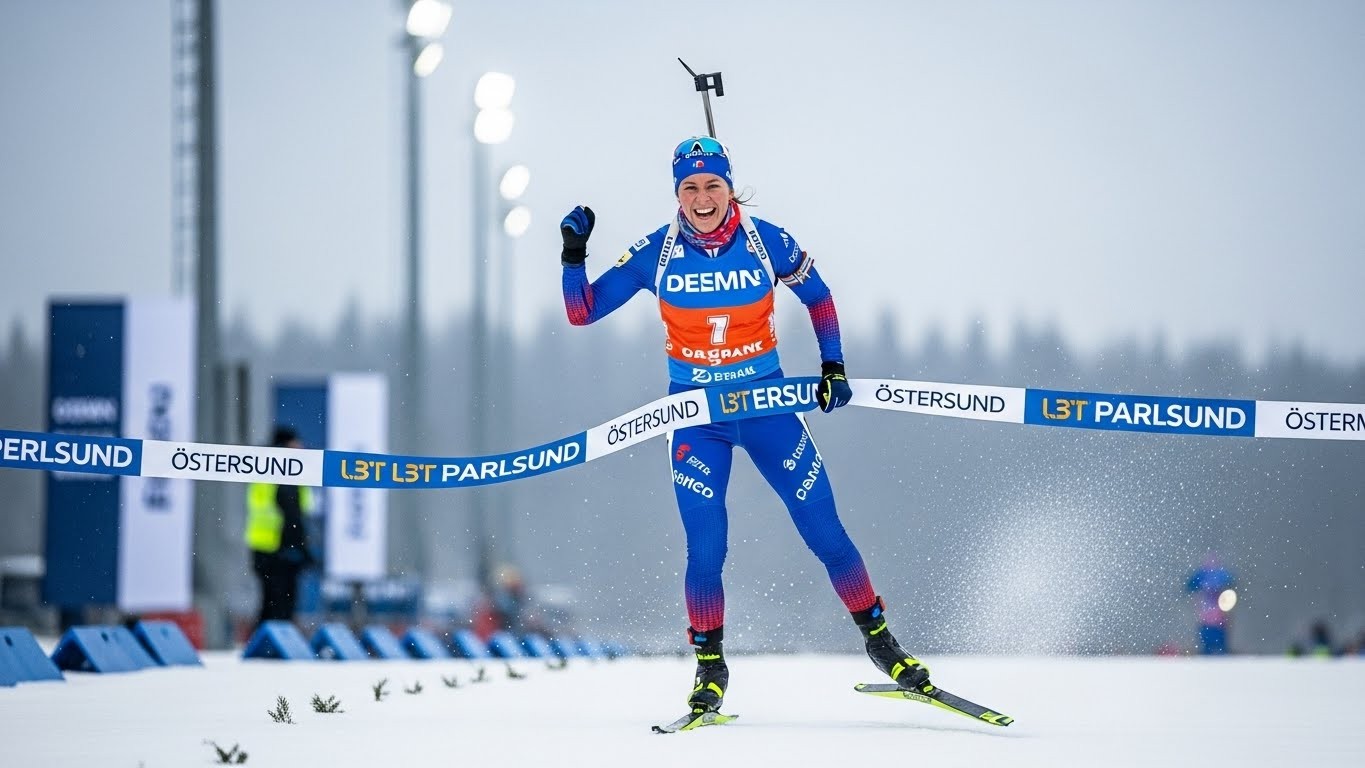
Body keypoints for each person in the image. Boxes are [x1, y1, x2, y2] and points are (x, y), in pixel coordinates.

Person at [558, 136, 930, 716]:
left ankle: (884, 647)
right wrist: (573, 253)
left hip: (769, 412)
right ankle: (710, 670)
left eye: (713, 186)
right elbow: (582, 312)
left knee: (825, 532)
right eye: (689, 188)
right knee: (706, 547)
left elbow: (820, 298)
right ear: (676, 195)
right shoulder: (656, 253)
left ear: (730, 188)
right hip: (698, 422)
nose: (702, 199)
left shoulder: (766, 240)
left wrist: (833, 365)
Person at [244, 426, 314, 630]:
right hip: (278, 547)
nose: (300, 447)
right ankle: (271, 644)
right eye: (296, 443)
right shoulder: (285, 470)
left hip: (265, 545)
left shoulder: (264, 467)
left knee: (270, 601)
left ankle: (266, 643)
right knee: (280, 602)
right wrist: (300, 547)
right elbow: (292, 513)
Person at [1186, 552, 1235, 655]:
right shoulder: (1217, 576)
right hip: (1211, 618)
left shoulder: (1205, 577)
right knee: (1213, 645)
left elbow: (1189, 587)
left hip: (1215, 618)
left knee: (1213, 644)